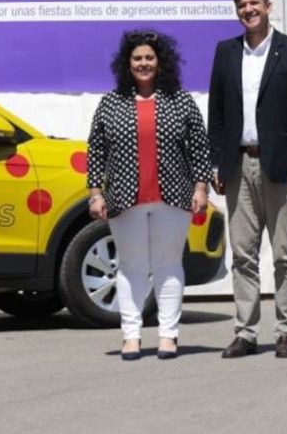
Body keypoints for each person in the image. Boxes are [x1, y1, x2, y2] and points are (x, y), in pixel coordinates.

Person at [208, 0, 287, 359]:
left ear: (268, 6)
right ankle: (245, 332)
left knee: (285, 254)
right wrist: (217, 162)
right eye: (242, 5)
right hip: (238, 165)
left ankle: (286, 331)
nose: (248, 10)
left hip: (283, 167)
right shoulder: (226, 52)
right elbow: (217, 113)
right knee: (243, 255)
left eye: (254, 3)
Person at [86, 30, 211, 361]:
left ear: (160, 62)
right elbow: (96, 150)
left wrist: (201, 187)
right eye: (137, 58)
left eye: (150, 58)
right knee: (131, 267)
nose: (144, 63)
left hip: (173, 197)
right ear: (127, 64)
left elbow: (200, 147)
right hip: (124, 198)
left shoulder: (180, 100)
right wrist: (95, 193)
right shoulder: (111, 103)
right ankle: (131, 335)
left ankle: (168, 335)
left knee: (168, 265)